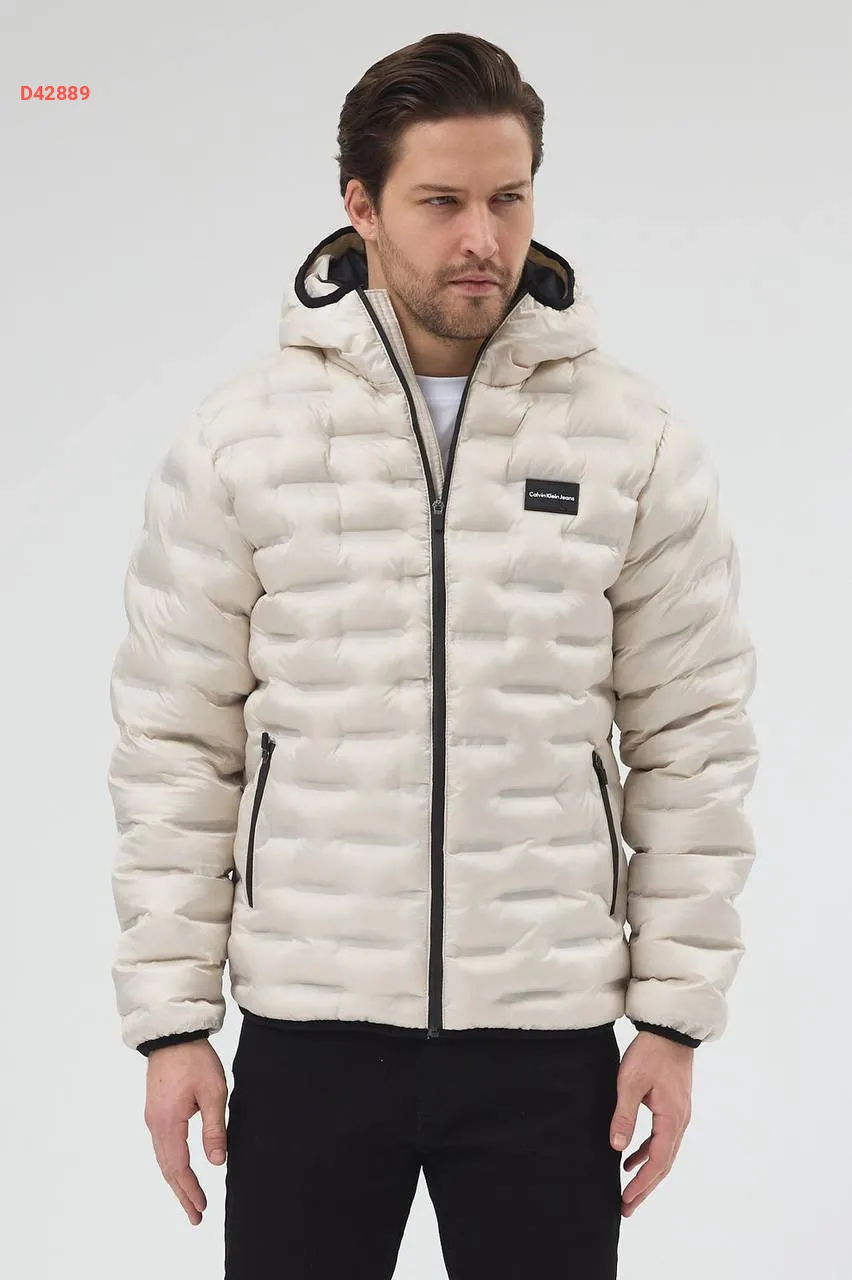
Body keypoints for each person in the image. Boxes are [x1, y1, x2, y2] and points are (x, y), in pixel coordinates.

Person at [106, 30, 759, 1280]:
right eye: (442, 201)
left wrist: (674, 1017)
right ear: (360, 206)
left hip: (547, 1041)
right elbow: (175, 739)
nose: (483, 238)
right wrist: (173, 1021)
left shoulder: (631, 440)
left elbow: (694, 736)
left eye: (509, 197)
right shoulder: (244, 440)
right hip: (308, 1031)